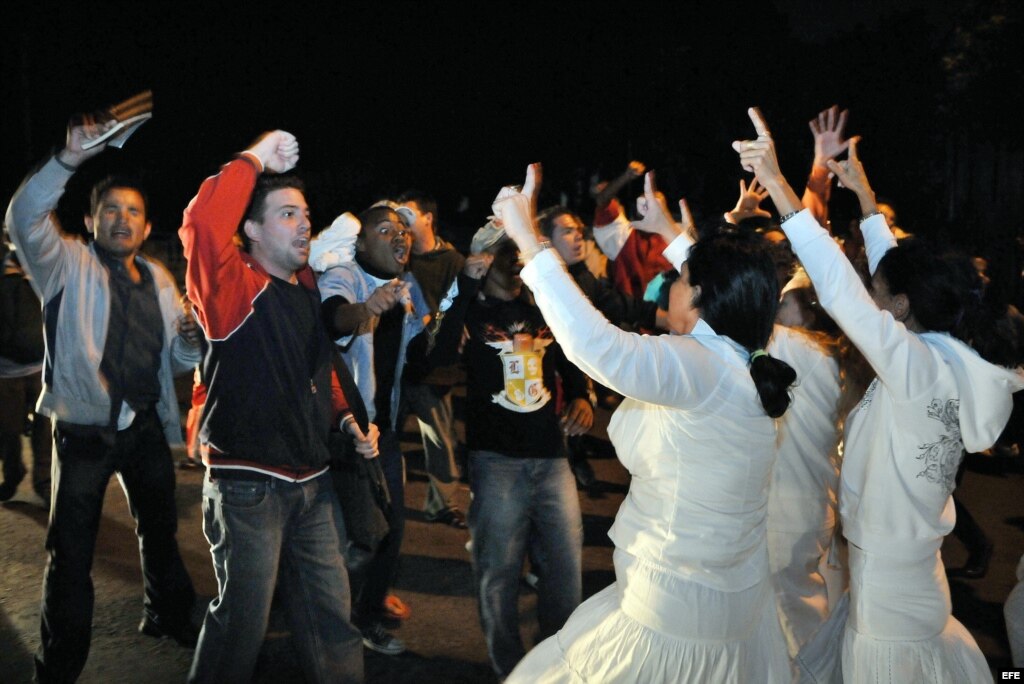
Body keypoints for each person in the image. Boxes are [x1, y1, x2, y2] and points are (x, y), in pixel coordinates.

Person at [736, 107, 1023, 683]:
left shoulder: (919, 368)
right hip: (900, 584)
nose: (867, 294)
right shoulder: (947, 360)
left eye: (878, 291)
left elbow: (839, 290)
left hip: (890, 605)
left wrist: (779, 186)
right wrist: (866, 203)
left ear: (898, 311)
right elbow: (892, 280)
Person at [498, 168, 795, 683]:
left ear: (698, 294)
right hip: (728, 602)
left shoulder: (700, 365)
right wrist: (669, 234)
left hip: (677, 611)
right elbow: (722, 288)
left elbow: (598, 346)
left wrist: (528, 237)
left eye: (678, 278)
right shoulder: (745, 362)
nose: (667, 286)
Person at [5, 114, 202, 682]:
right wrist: (68, 158)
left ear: (146, 227)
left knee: (159, 531)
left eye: (133, 212)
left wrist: (188, 345)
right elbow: (22, 215)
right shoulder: (65, 265)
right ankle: (59, 666)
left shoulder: (160, 278)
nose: (122, 219)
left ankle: (164, 614)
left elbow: (178, 363)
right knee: (71, 558)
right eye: (110, 210)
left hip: (143, 427)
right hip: (84, 432)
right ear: (90, 220)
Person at [179, 130, 366, 683]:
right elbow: (201, 224)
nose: (305, 223)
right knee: (241, 630)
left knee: (334, 623)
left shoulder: (305, 286)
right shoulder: (233, 287)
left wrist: (345, 416)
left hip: (314, 481)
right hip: (248, 486)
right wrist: (255, 158)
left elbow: (317, 369)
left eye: (306, 214)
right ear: (252, 230)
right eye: (287, 214)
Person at [461, 199, 594, 679]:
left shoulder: (537, 306)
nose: (517, 258)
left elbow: (571, 354)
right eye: (507, 251)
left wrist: (583, 398)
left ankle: (553, 665)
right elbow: (425, 356)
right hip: (496, 460)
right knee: (498, 573)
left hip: (551, 456)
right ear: (485, 259)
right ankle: (509, 669)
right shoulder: (469, 314)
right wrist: (462, 288)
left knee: (565, 572)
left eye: (520, 249)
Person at [396, 190, 469, 528]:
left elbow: (460, 308)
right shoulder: (400, 256)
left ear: (427, 217)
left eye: (407, 214)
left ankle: (444, 503)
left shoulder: (452, 261)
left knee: (440, 437)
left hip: (433, 367)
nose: (401, 221)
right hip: (397, 363)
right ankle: (385, 497)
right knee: (384, 434)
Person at [0, 245, 51, 505]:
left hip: (40, 367)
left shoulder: (42, 270)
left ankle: (43, 481)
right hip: (6, 372)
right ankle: (13, 473)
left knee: (44, 429)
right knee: (8, 431)